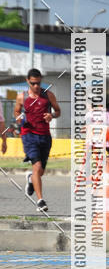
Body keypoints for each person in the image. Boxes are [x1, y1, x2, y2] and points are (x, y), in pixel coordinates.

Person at [14, 68, 61, 212]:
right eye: (33, 83)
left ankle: (30, 179)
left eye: (38, 83)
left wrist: (51, 116)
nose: (36, 86)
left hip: (45, 136)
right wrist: (19, 117)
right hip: (29, 135)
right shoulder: (21, 96)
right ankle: (40, 201)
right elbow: (16, 111)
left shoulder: (48, 95)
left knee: (40, 171)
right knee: (37, 166)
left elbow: (58, 111)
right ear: (28, 81)